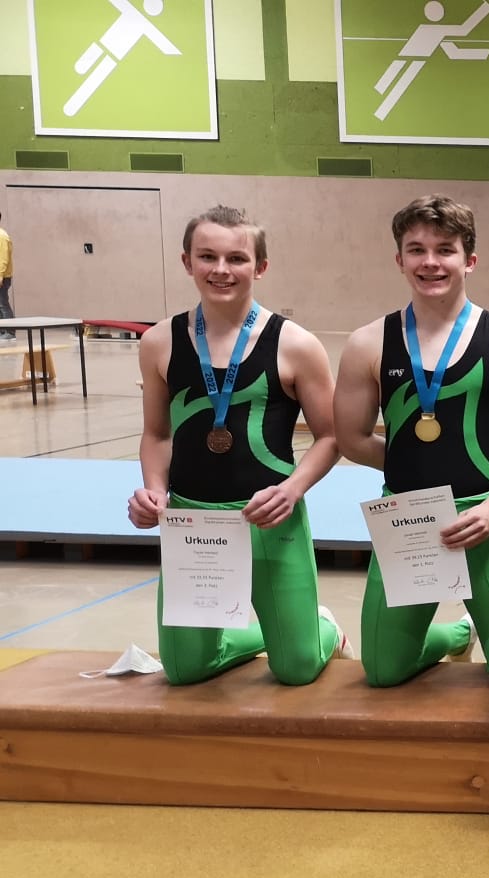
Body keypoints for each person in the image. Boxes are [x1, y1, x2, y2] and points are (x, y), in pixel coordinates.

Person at [334, 195, 489, 687]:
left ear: (469, 260)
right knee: (383, 672)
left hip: (484, 517)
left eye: (445, 249)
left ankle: (474, 629)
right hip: (407, 519)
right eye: (416, 249)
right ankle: (456, 635)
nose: (430, 262)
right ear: (399, 259)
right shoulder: (368, 343)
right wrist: (411, 471)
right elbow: (351, 439)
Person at [127, 206, 348, 685]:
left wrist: (291, 490)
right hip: (194, 523)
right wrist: (154, 491)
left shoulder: (296, 345)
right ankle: (273, 634)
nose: (221, 270)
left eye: (237, 258)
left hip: (269, 517)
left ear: (260, 267)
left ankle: (324, 629)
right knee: (185, 670)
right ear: (187, 261)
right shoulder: (159, 342)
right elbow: (158, 434)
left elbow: (332, 436)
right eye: (207, 256)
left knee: (298, 668)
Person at [0, 210, 13, 340]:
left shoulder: (2, 236)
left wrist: (1, 275)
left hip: (3, 276)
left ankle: (10, 331)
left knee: (3, 303)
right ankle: (2, 331)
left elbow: (4, 258)